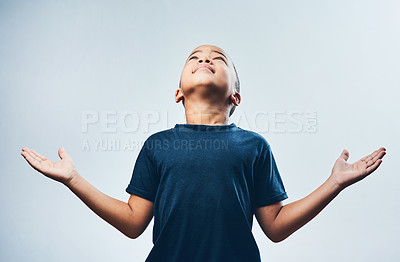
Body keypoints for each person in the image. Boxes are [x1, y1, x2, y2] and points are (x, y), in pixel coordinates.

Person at [21, 44, 386, 262]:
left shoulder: (254, 147)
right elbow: (133, 223)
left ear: (235, 97)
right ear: (178, 92)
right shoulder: (157, 145)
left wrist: (333, 184)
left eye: (218, 58)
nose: (205, 59)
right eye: (194, 57)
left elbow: (275, 227)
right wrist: (73, 179)